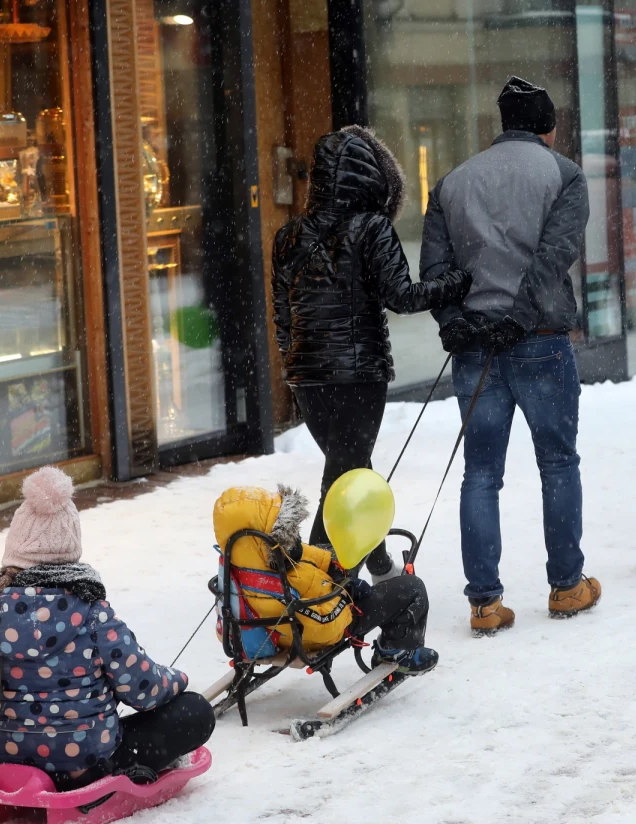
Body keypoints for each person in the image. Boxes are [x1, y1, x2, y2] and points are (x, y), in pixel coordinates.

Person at [420, 76, 600, 635]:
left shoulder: (452, 181)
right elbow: (555, 256)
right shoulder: (565, 175)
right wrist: (522, 316)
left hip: (475, 346)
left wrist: (453, 323)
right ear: (548, 126)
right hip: (540, 339)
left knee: (479, 473)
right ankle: (567, 586)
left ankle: (484, 603)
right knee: (557, 462)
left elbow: (435, 271)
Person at [272, 126, 471, 582]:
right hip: (359, 375)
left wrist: (294, 365)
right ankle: (321, 587)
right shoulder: (371, 228)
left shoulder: (287, 236)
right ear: (373, 179)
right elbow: (402, 296)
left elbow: (283, 318)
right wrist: (458, 282)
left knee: (350, 469)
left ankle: (378, 564)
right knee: (343, 480)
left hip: (307, 378)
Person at [0, 468, 214, 789]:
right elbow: (142, 688)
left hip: (9, 758)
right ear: (70, 550)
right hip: (87, 763)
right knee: (195, 711)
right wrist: (178, 680)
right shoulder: (90, 610)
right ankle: (117, 773)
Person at [213, 485, 437, 674]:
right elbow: (325, 622)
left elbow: (301, 556)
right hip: (315, 629)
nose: (297, 537)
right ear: (272, 538)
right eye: (290, 532)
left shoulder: (245, 561)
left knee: (338, 555)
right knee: (412, 588)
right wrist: (347, 592)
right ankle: (396, 649)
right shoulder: (287, 582)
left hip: (273, 630)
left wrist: (330, 563)